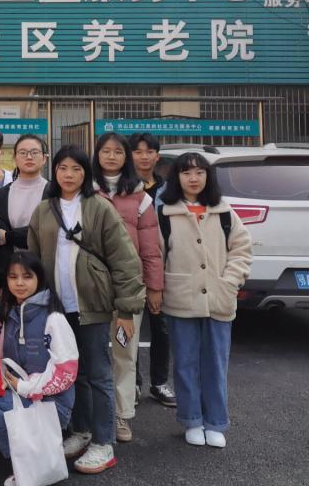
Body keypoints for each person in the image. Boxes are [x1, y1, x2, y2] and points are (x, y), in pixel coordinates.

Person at [26, 145, 144, 475]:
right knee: (70, 372)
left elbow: (125, 260)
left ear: (85, 173)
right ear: (55, 172)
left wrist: (126, 309)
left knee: (99, 374)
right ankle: (81, 431)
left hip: (92, 307)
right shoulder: (44, 210)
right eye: (63, 168)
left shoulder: (99, 208)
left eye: (76, 169)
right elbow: (33, 260)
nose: (69, 175)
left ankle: (103, 442)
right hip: (58, 309)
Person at [158, 152, 252, 449]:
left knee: (215, 364)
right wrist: (156, 290)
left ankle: (215, 422)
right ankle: (192, 420)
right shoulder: (165, 214)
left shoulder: (224, 212)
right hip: (181, 298)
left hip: (218, 298)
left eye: (200, 172)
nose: (194, 178)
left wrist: (230, 281)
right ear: (177, 178)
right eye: (187, 173)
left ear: (208, 177)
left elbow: (242, 249)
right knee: (185, 364)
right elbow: (156, 256)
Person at [0, 252, 79, 483]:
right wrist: (0, 377)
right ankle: (34, 450)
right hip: (17, 396)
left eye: (27, 276)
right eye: (13, 277)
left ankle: (30, 464)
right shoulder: (5, 315)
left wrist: (25, 387)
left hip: (52, 405)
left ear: (39, 279)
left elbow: (67, 371)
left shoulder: (53, 318)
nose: (20, 283)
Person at [91, 133, 163, 443]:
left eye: (117, 152)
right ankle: (91, 414)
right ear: (96, 155)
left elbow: (151, 250)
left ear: (126, 157)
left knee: (125, 352)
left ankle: (121, 414)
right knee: (90, 353)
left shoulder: (140, 197)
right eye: (105, 151)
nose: (111, 156)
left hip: (127, 292)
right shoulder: (84, 190)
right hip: (91, 290)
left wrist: (155, 287)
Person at [128, 132, 176, 408]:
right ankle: (133, 383)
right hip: (129, 268)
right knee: (129, 328)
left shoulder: (168, 191)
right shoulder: (123, 188)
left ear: (157, 156)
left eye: (149, 151)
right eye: (138, 151)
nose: (144, 156)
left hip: (161, 265)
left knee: (161, 326)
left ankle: (158, 383)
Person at [0, 134, 50, 295]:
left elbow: (45, 233)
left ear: (44, 159)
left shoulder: (54, 193)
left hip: (46, 275)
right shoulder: (1, 195)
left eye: (34, 152)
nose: (29, 157)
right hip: (11, 279)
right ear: (15, 158)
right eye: (23, 153)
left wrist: (9, 236)